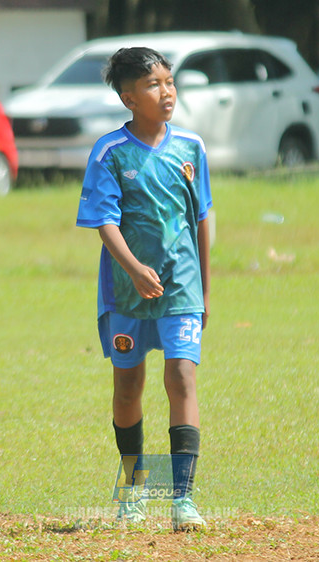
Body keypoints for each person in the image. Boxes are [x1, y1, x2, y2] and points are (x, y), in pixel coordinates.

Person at [76, 47, 212, 531]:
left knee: (181, 379)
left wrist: (206, 292)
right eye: (154, 85)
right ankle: (134, 490)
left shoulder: (191, 148)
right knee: (129, 386)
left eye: (170, 82)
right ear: (129, 98)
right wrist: (133, 268)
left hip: (182, 293)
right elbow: (104, 221)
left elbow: (201, 220)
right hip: (125, 294)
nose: (167, 92)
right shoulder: (110, 152)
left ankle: (182, 498)